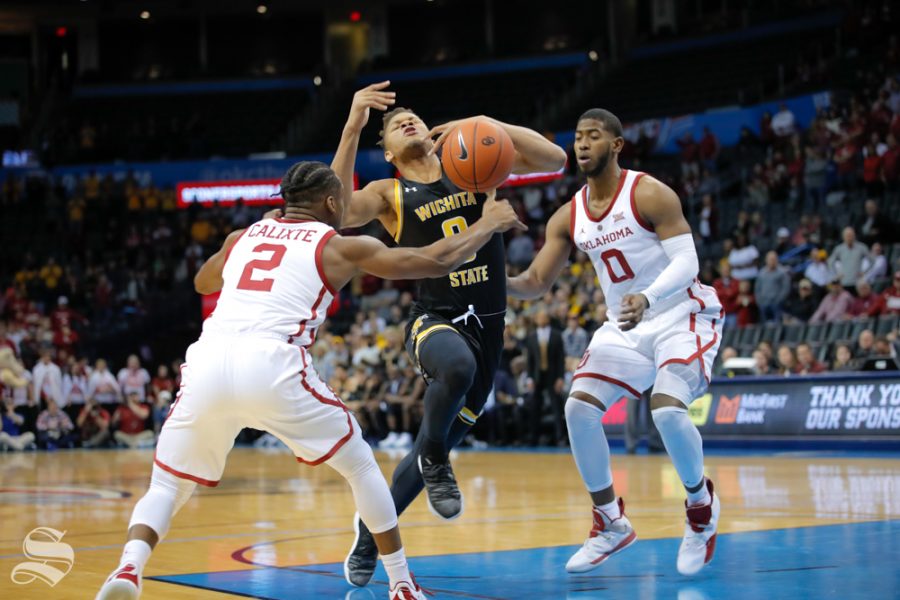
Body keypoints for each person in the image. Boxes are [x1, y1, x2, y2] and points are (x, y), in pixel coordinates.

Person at [96, 156, 525, 600]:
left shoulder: (243, 236)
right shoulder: (336, 245)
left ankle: (129, 568)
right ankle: (401, 583)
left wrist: (236, 248)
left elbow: (204, 284)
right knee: (360, 464)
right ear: (330, 201)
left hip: (207, 362)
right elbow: (433, 262)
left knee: (168, 483)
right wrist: (486, 224)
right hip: (271, 363)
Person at [337, 85, 566, 587]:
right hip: (434, 319)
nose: (409, 123)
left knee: (418, 461)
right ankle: (439, 458)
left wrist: (486, 120)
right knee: (453, 376)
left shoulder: (471, 161)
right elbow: (334, 212)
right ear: (389, 154)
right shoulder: (388, 194)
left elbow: (556, 157)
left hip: (489, 330)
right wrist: (354, 123)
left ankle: (366, 535)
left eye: (414, 117)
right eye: (397, 126)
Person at [507, 108, 723, 577]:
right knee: (577, 408)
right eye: (578, 138)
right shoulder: (569, 215)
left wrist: (647, 297)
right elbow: (537, 281)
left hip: (681, 314)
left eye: (593, 136)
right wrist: (489, 281)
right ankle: (610, 522)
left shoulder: (648, 192)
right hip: (626, 326)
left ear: (617, 144)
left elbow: (688, 262)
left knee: (667, 408)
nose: (582, 144)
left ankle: (700, 506)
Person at [524, 310, 566, 446]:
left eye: (544, 316)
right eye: (539, 317)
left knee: (556, 407)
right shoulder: (531, 337)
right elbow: (529, 360)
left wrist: (560, 377)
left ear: (548, 319)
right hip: (537, 375)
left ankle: (560, 438)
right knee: (535, 407)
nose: (541, 319)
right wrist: (529, 378)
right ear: (535, 320)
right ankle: (533, 438)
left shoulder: (556, 335)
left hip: (552, 375)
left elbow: (561, 358)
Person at [754, 251, 791, 323]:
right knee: (765, 326)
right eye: (770, 259)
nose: (772, 261)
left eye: (774, 259)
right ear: (766, 260)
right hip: (763, 303)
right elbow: (757, 288)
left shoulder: (782, 272)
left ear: (777, 260)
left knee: (777, 325)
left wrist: (779, 300)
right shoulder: (762, 273)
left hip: (777, 304)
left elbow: (786, 288)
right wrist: (760, 301)